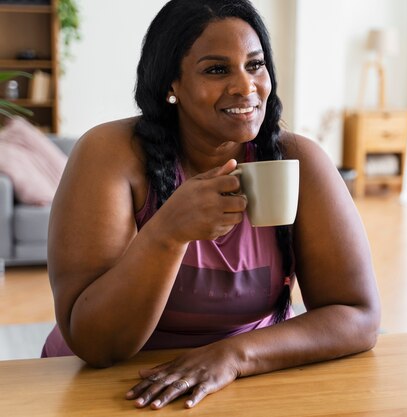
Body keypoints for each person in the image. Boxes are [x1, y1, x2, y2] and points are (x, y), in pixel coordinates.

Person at [42, 0, 380, 410]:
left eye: (255, 65)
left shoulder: (298, 161)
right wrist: (167, 233)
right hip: (120, 388)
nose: (244, 86)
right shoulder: (110, 154)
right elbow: (96, 344)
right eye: (217, 69)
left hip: (246, 380)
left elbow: (357, 315)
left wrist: (233, 356)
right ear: (172, 85)